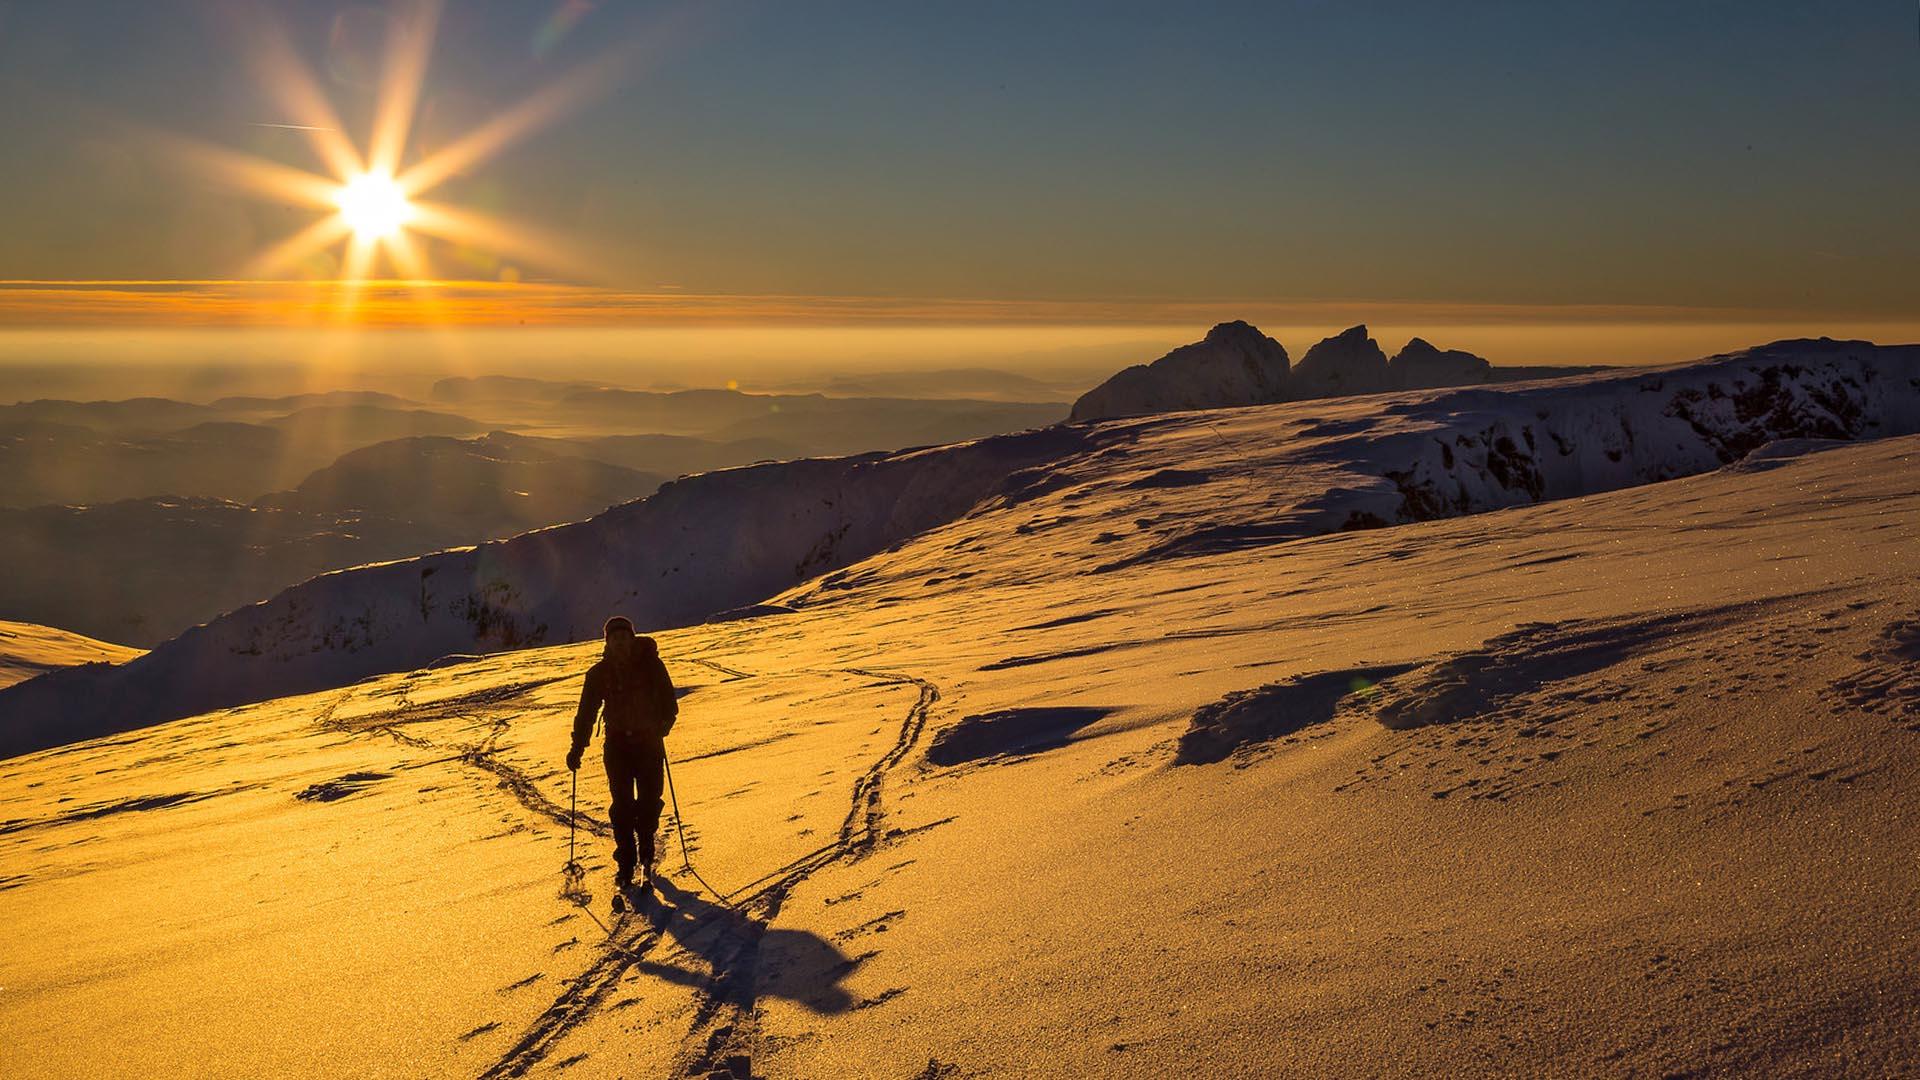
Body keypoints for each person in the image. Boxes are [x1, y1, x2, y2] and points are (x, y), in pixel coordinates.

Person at [567, 616, 678, 890]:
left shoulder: (651, 665)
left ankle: (647, 846)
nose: (619, 642)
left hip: (649, 743)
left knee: (650, 801)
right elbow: (586, 714)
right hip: (617, 747)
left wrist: (664, 724)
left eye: (623, 637)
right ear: (607, 642)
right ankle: (626, 860)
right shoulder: (598, 674)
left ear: (631, 638)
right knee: (622, 805)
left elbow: (669, 702)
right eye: (614, 638)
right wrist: (577, 747)